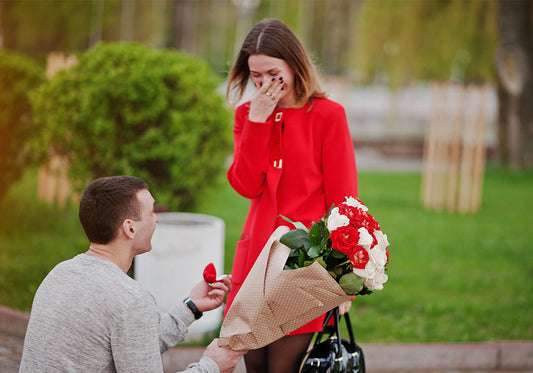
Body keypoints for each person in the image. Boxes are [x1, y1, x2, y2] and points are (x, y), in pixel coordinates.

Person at [224, 18, 358, 373]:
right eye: (255, 76)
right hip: (255, 259)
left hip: (304, 264)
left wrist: (345, 280)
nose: (264, 84)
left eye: (273, 73)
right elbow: (246, 185)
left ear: (295, 66)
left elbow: (345, 202)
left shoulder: (328, 115)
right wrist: (258, 123)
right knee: (253, 366)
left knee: (283, 368)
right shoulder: (248, 115)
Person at [19, 175, 246, 373]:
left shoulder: (60, 273)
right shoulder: (131, 300)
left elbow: (134, 348)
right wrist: (212, 365)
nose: (156, 218)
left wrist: (191, 307)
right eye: (151, 212)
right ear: (130, 228)